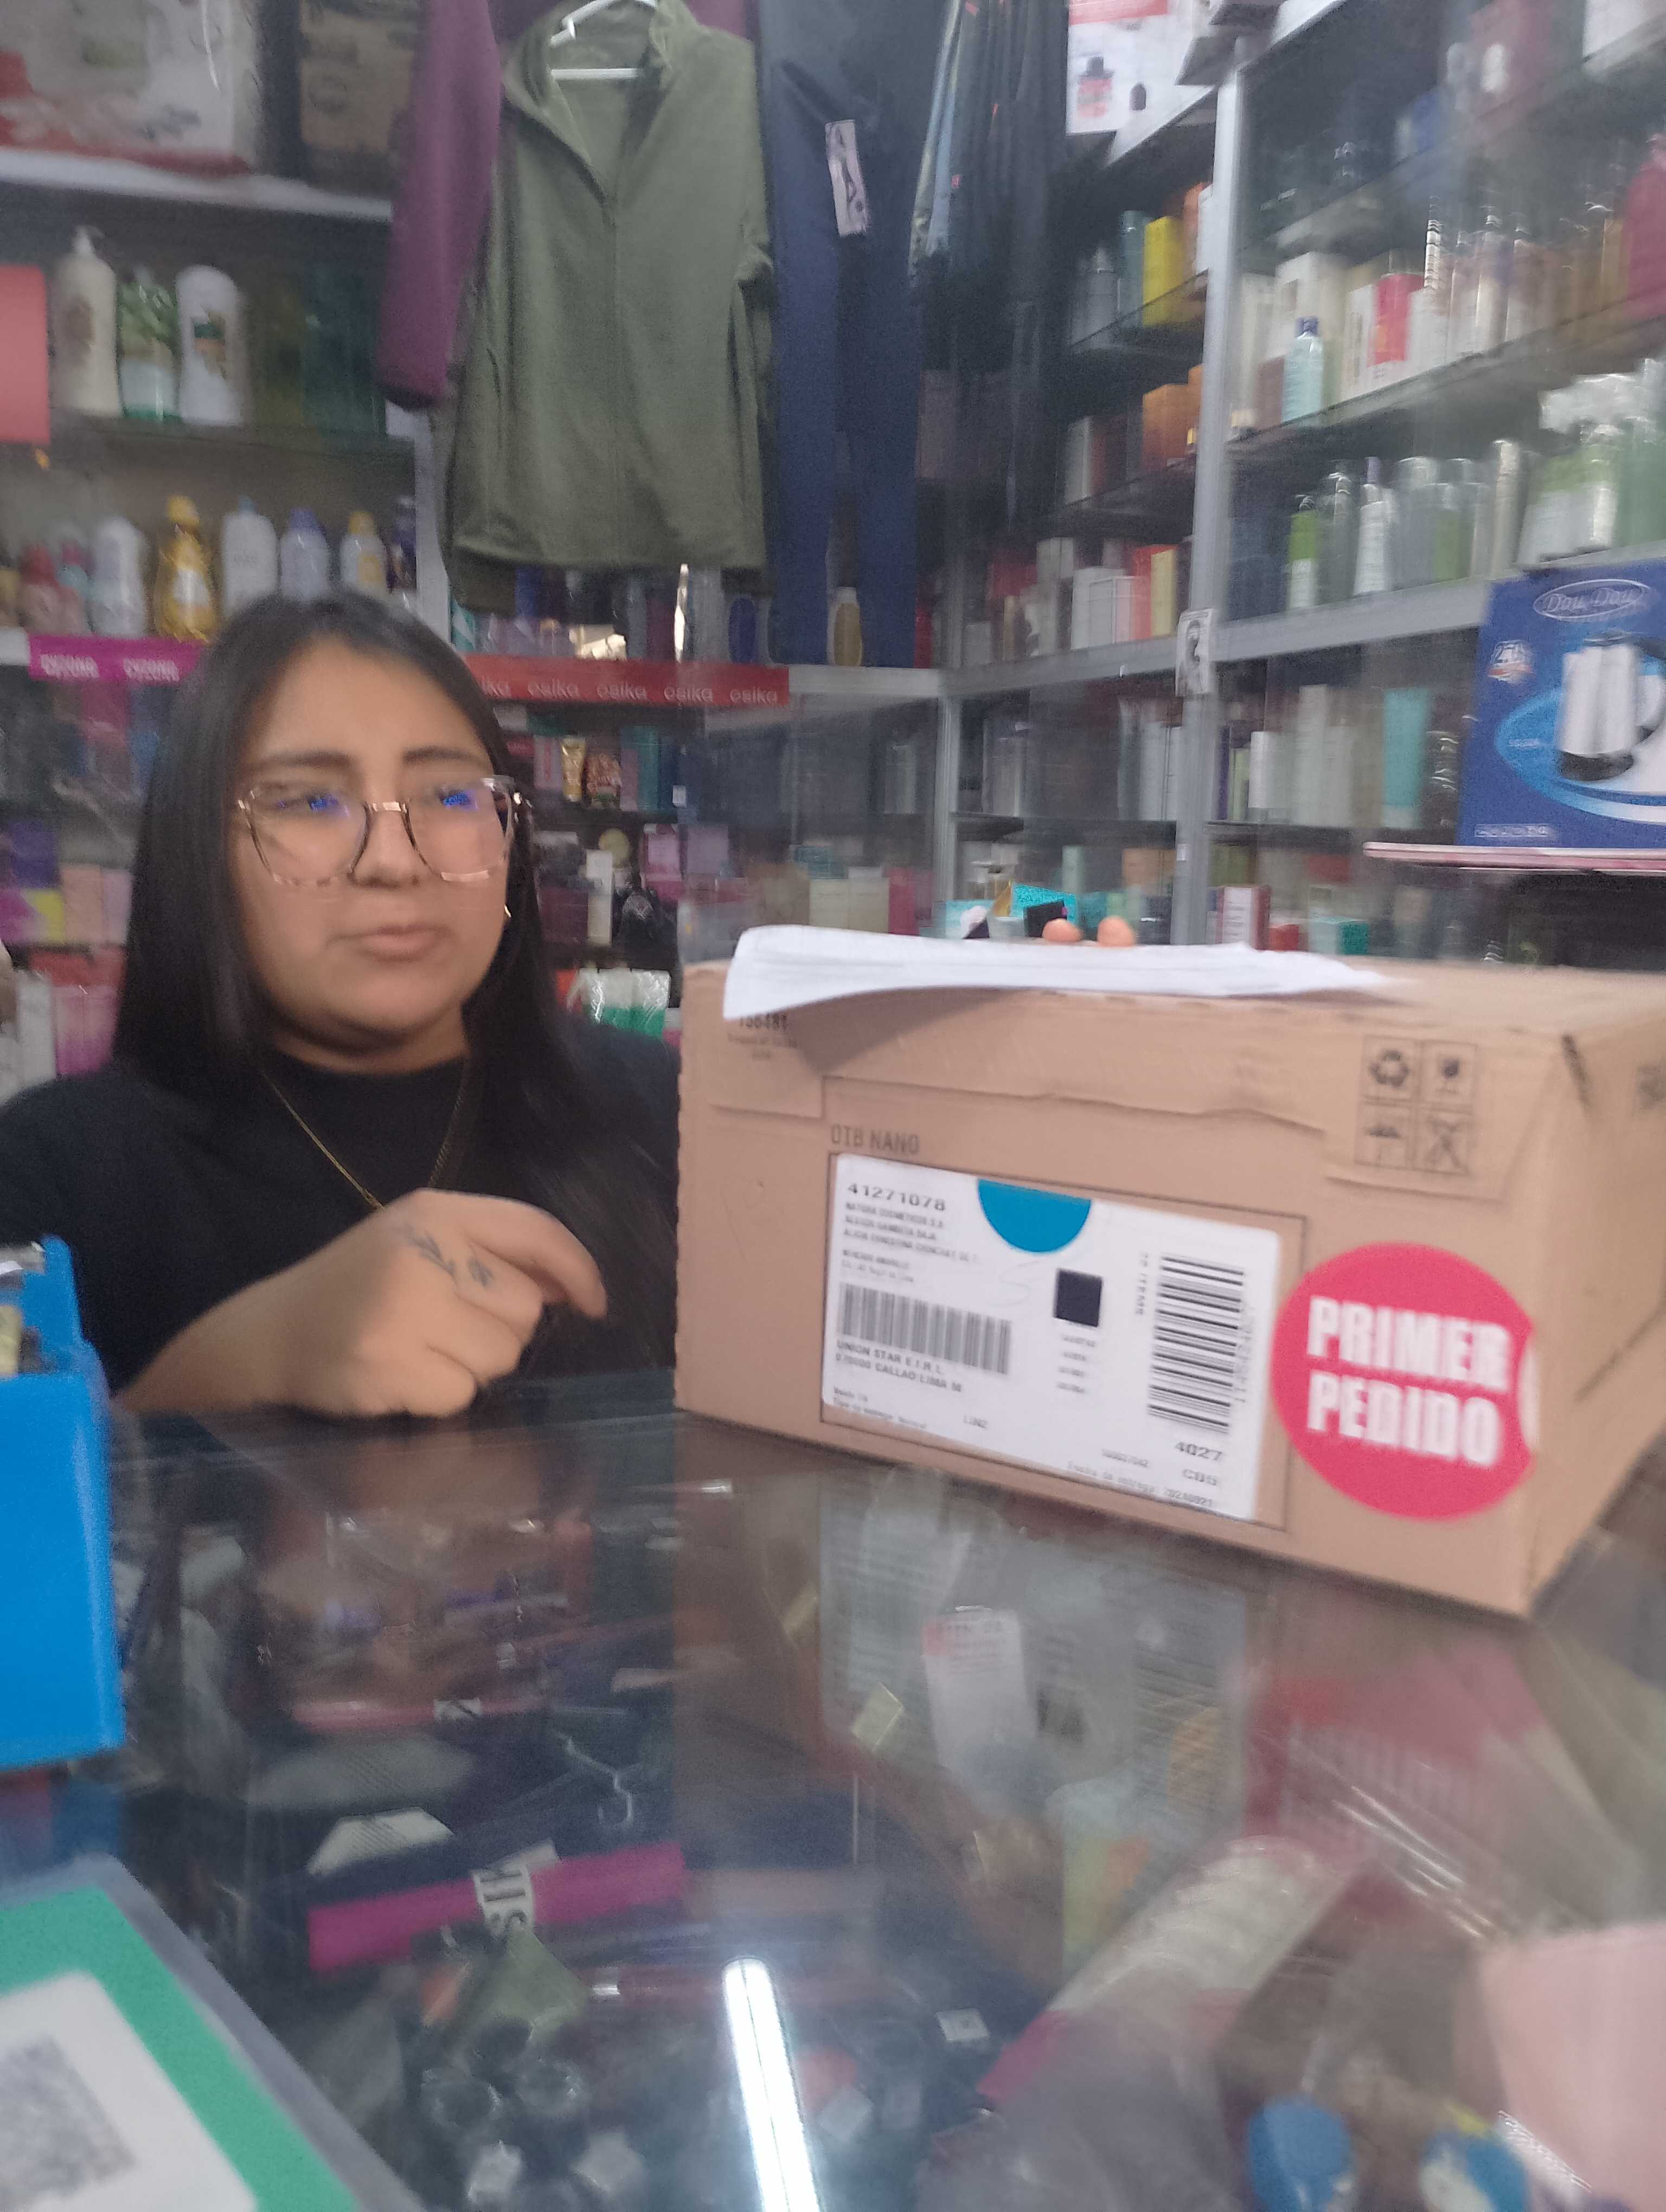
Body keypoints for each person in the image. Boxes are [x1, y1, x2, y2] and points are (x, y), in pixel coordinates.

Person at [0, 594, 677, 1416]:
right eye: (310, 802)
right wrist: (243, 1362)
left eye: (451, 797)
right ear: (201, 852)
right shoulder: (50, 1177)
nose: (392, 861)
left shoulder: (661, 1110)